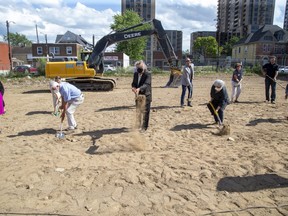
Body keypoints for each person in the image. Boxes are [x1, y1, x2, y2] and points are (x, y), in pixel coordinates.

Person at [131, 60, 152, 131]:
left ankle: (144, 127)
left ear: (144, 67)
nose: (139, 70)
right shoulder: (135, 74)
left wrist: (139, 89)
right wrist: (133, 87)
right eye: (137, 68)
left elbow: (146, 84)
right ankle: (138, 125)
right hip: (138, 96)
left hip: (146, 96)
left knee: (145, 112)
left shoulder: (148, 74)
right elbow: (133, 83)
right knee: (138, 111)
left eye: (140, 68)